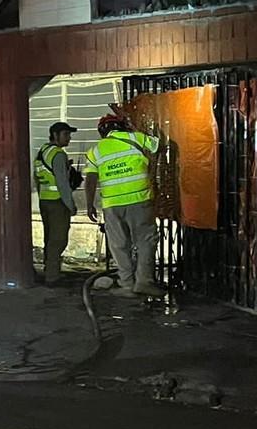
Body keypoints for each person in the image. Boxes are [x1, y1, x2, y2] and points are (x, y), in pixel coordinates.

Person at [84, 114, 166, 298]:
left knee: (119, 244)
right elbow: (159, 145)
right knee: (145, 241)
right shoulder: (135, 137)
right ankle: (144, 282)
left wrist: (90, 205)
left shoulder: (95, 150)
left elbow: (90, 180)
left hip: (112, 204)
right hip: (139, 199)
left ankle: (127, 284)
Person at [34, 122, 78, 285]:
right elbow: (62, 183)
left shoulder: (43, 152)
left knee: (49, 238)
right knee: (58, 240)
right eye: (66, 134)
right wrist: (70, 205)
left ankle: (50, 271)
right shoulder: (58, 154)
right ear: (55, 135)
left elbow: (37, 179)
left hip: (45, 201)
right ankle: (52, 276)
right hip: (58, 203)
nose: (69, 138)